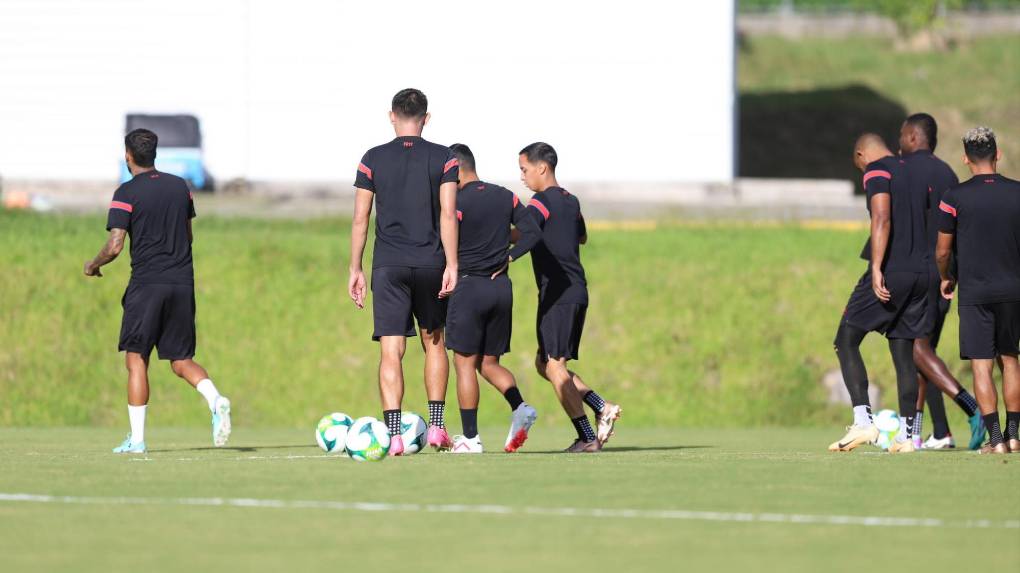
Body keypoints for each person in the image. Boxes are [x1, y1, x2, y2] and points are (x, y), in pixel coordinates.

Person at [84, 128, 231, 454]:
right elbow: (188, 236)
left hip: (147, 285)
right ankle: (215, 399)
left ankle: (137, 440)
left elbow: (115, 244)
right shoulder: (181, 187)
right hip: (182, 283)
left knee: (136, 359)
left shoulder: (126, 192)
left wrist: (93, 265)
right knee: (181, 360)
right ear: (155, 154)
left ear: (128, 155)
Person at [349, 88, 459, 455]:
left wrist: (355, 268)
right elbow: (448, 215)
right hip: (430, 263)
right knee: (434, 342)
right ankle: (437, 428)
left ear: (391, 115)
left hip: (388, 265)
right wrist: (453, 264)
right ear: (426, 118)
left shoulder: (372, 159)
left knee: (391, 350)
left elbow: (361, 219)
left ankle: (394, 435)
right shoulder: (445, 158)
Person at [516, 142, 621, 453]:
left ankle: (587, 436)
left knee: (553, 366)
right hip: (574, 291)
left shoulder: (540, 201)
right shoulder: (570, 201)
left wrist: (495, 246)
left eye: (524, 170)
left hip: (558, 294)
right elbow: (582, 236)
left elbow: (525, 231)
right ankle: (601, 406)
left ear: (542, 168)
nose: (522, 176)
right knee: (544, 363)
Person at [829, 133, 929, 454]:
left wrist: (876, 266)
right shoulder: (916, 173)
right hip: (923, 273)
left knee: (845, 339)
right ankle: (907, 436)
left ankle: (863, 421)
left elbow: (882, 218)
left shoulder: (876, 170)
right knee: (903, 351)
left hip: (893, 270)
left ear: (862, 154)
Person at [444, 143, 543, 454]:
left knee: (463, 365)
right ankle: (520, 407)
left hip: (469, 288)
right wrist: (510, 257)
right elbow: (533, 232)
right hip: (501, 289)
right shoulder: (506, 196)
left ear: (455, 168)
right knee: (488, 363)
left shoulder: (453, 202)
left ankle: (471, 439)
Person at [898, 113, 986, 450]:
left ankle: (972, 408)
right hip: (946, 273)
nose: (899, 142)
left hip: (921, 272)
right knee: (923, 351)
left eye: (901, 135)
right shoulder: (948, 174)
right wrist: (952, 273)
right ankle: (922, 434)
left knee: (916, 349)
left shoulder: (904, 170)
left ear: (913, 137)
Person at [935, 126, 1020, 454]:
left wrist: (946, 276)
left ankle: (996, 440)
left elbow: (943, 251)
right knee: (1010, 361)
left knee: (981, 365)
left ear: (965, 159)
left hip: (975, 293)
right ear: (998, 154)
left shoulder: (954, 197)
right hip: (1013, 291)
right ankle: (1014, 436)